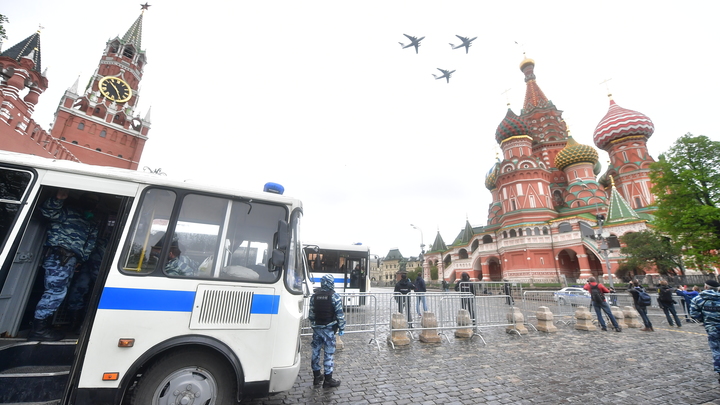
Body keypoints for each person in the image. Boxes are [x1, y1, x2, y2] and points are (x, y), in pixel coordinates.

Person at [28, 189, 99, 341]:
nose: (91, 204)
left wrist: (81, 260)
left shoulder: (91, 222)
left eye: (94, 201)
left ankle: (43, 325)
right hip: (59, 256)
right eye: (89, 199)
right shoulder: (67, 212)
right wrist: (58, 199)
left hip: (72, 261)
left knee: (59, 291)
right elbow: (47, 212)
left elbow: (90, 244)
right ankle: (38, 329)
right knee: (55, 291)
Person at [309, 274, 345, 388]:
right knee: (328, 353)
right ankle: (328, 379)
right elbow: (340, 315)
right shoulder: (334, 296)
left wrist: (315, 325)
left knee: (315, 352)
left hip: (317, 329)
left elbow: (311, 314)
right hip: (329, 329)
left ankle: (316, 377)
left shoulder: (314, 297)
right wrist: (341, 327)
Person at [689, 279, 720, 385]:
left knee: (716, 350)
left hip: (712, 328)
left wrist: (705, 320)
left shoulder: (698, 299)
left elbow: (694, 314)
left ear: (706, 287)